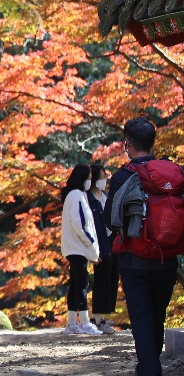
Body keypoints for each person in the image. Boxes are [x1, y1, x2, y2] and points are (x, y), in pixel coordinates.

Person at [103, 117, 179, 376]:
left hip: (134, 259)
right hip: (167, 256)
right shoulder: (174, 173)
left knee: (142, 318)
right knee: (158, 314)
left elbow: (109, 220)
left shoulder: (123, 175)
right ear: (153, 142)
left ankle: (149, 368)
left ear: (127, 144)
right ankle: (149, 365)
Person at [60, 164, 102, 335]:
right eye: (89, 178)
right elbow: (81, 225)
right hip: (79, 248)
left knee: (75, 284)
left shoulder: (72, 195)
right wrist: (92, 248)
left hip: (73, 248)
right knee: (82, 284)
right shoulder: (77, 196)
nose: (90, 182)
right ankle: (84, 322)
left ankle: (71, 323)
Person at [86, 164, 118, 334]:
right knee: (101, 280)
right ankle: (98, 319)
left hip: (110, 240)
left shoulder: (104, 196)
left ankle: (102, 315)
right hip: (98, 242)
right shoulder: (88, 198)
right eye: (101, 178)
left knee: (111, 278)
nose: (104, 181)